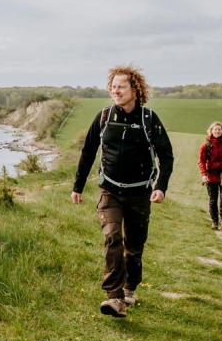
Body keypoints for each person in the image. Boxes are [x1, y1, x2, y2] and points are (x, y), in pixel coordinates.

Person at [71, 65, 174, 318]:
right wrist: (78, 186)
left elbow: (166, 156)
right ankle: (114, 297)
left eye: (121, 86)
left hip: (140, 193)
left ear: (135, 89)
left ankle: (130, 287)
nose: (115, 91)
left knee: (134, 247)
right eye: (113, 86)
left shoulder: (149, 119)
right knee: (112, 237)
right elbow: (88, 152)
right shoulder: (104, 117)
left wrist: (160, 187)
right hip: (110, 191)